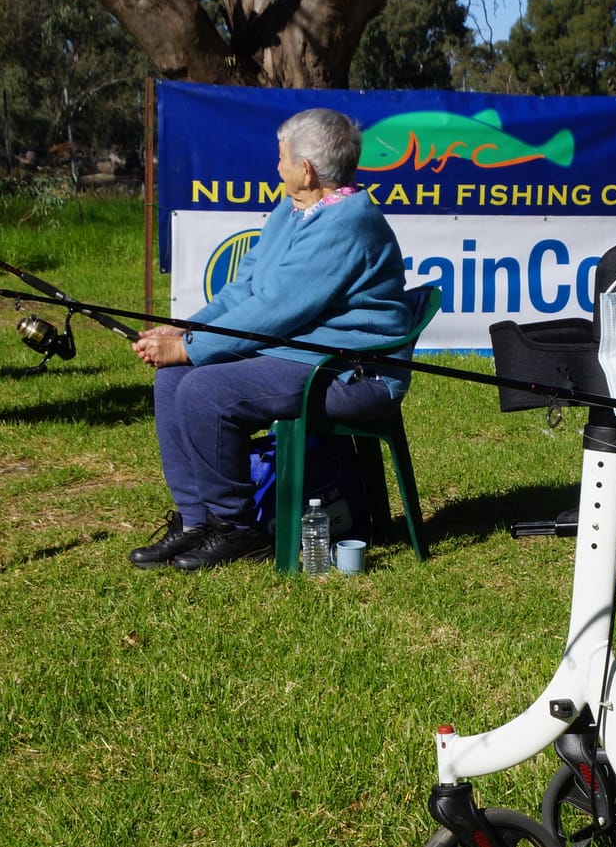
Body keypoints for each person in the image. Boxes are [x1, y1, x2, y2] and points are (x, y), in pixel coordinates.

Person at [129, 107, 413, 571]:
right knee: (172, 380)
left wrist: (190, 348)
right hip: (299, 353)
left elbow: (274, 312)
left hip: (351, 373)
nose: (275, 167)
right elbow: (245, 288)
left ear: (305, 170)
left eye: (281, 158)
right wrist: (188, 330)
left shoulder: (346, 225)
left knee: (204, 390)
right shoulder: (293, 211)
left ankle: (236, 528)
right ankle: (197, 521)